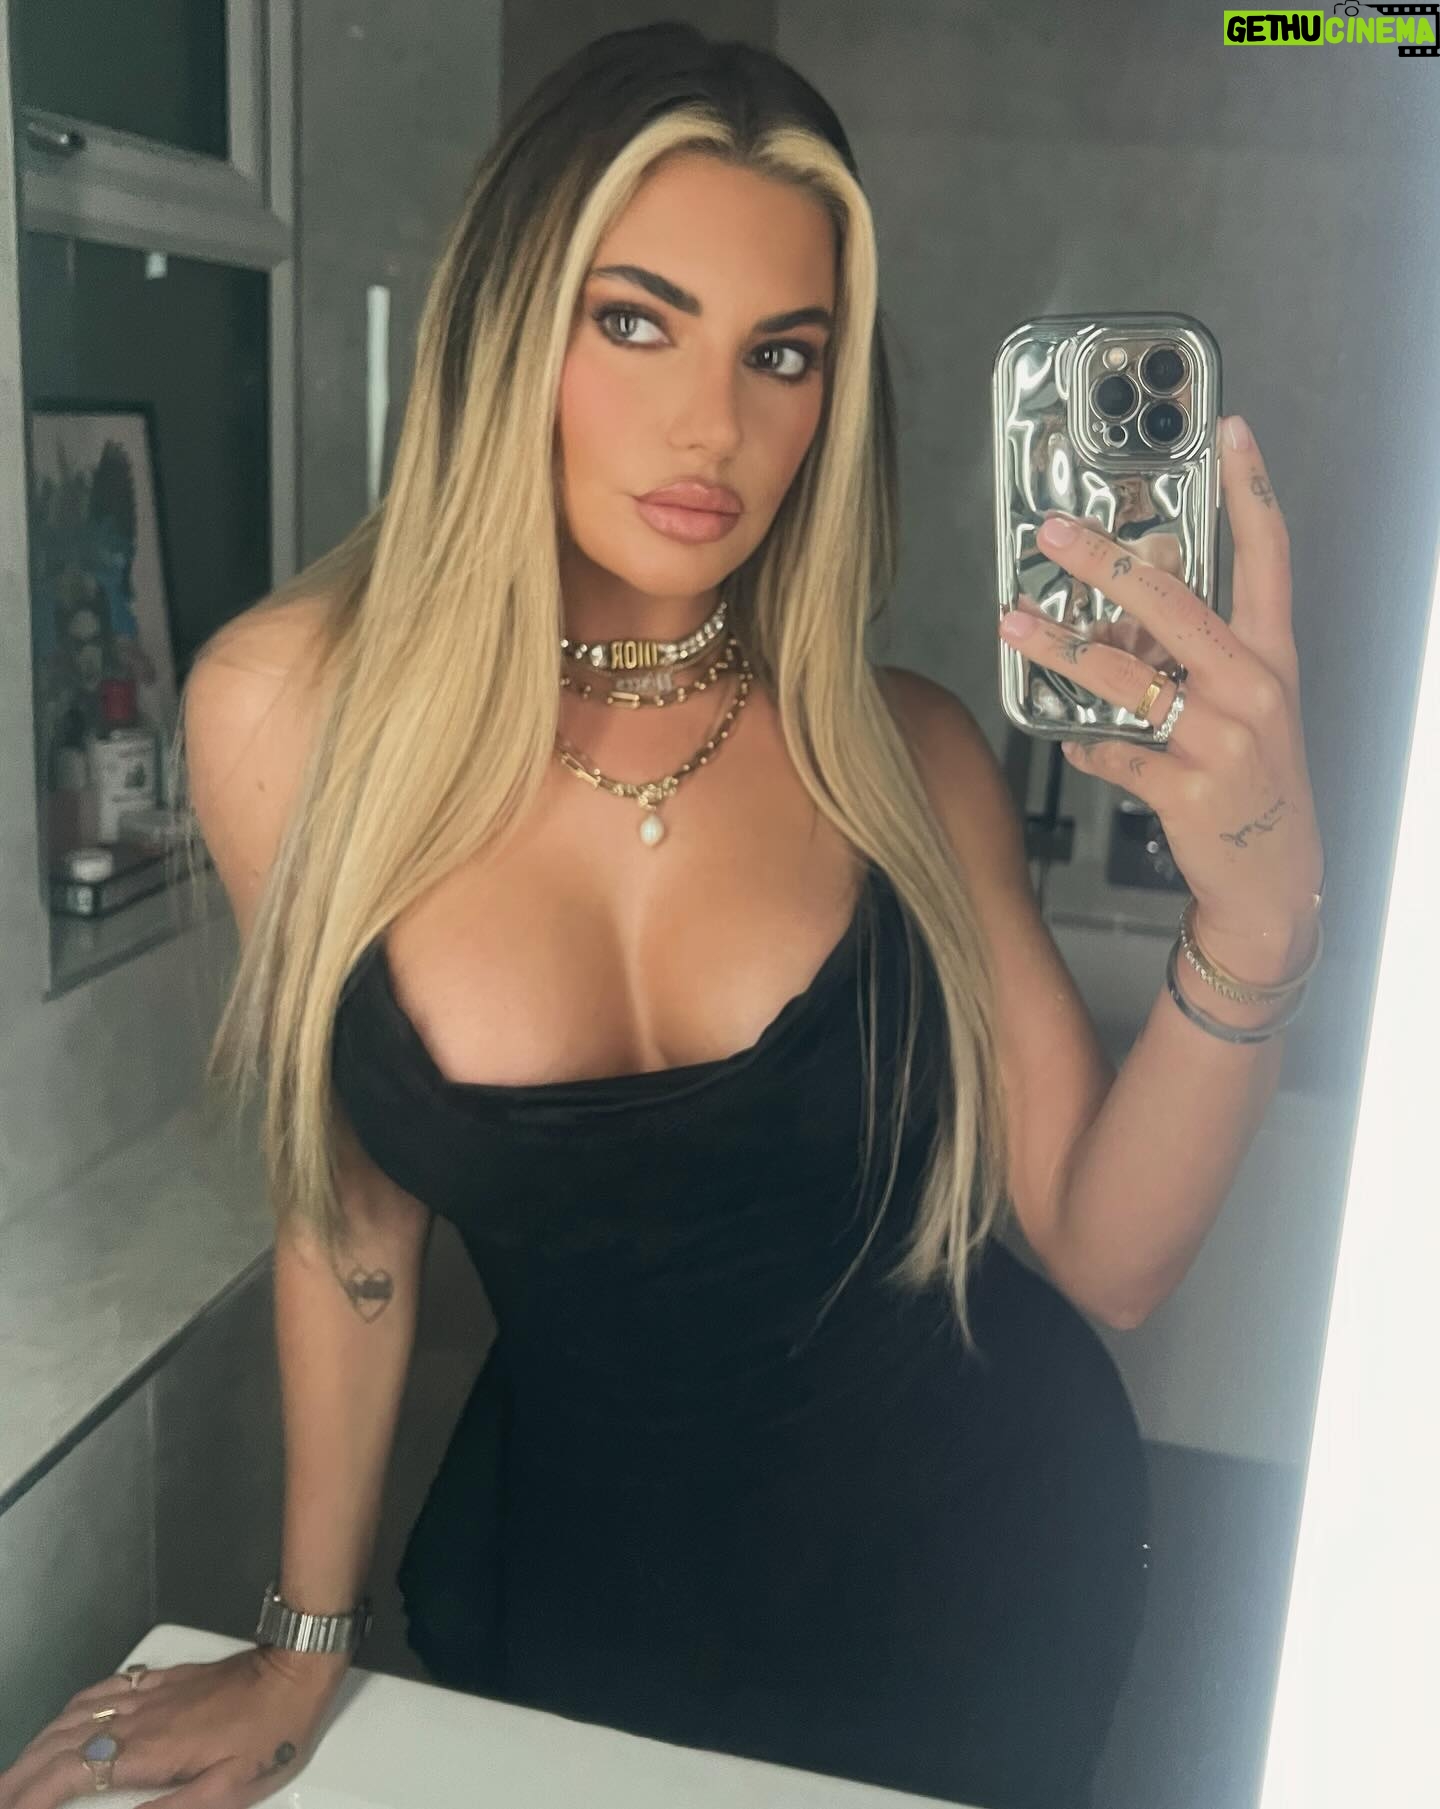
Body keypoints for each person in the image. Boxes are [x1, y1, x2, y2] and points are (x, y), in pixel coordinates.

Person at [1, 22, 1326, 1809]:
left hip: (975, 1577)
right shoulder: (285, 717)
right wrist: (303, 1639)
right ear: (509, 326)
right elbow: (353, 1212)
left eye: (785, 353)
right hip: (577, 1593)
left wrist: (1261, 919)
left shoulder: (905, 754)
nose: (717, 426)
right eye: (637, 321)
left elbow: (1106, 1249)